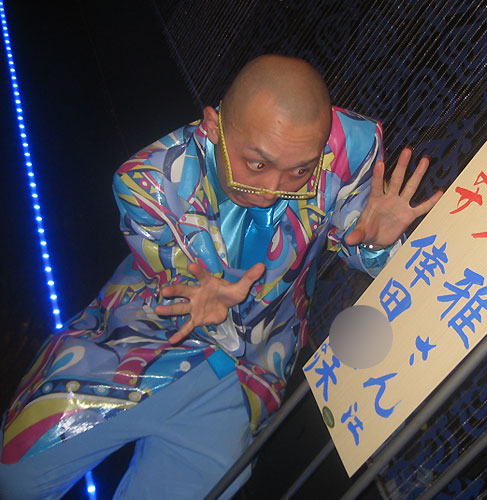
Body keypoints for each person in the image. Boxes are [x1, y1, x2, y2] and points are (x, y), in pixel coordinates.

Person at [0, 55, 441, 499]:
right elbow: (174, 274)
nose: (272, 190)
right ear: (214, 126)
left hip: (244, 377)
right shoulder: (148, 183)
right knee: (14, 477)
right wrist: (199, 289)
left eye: (300, 171)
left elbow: (352, 236)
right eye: (257, 165)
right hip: (140, 342)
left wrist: (375, 244)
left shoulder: (349, 147)